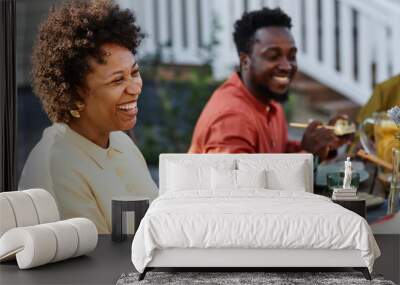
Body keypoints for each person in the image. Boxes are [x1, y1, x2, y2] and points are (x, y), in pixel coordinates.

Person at [19, 0, 157, 234]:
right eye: (117, 80)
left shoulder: (120, 141)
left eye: (134, 72)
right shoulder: (57, 166)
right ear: (76, 94)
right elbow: (97, 261)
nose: (135, 88)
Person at [189, 8, 347, 160]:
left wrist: (324, 145)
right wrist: (306, 154)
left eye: (291, 56)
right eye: (273, 56)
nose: (287, 66)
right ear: (245, 61)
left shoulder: (268, 101)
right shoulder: (232, 117)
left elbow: (276, 154)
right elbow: (235, 183)